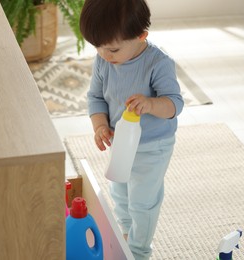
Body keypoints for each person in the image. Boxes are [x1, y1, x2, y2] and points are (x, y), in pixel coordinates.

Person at [80, 0, 184, 259]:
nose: (105, 55)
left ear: (141, 36)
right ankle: (126, 234)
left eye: (113, 49)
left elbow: (174, 104)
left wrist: (150, 104)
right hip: (121, 142)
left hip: (152, 146)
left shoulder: (158, 63)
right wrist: (100, 125)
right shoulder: (104, 60)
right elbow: (95, 98)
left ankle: (138, 251)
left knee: (142, 201)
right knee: (120, 192)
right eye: (98, 48)